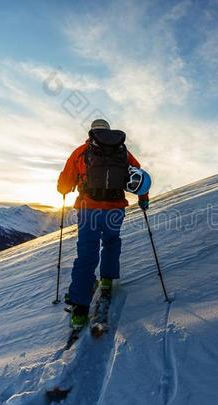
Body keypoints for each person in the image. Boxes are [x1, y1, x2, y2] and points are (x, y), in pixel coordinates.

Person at [57, 118, 150, 330]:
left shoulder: (81, 151)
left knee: (87, 252)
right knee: (111, 242)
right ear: (108, 131)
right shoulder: (123, 152)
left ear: (92, 132)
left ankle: (80, 307)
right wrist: (143, 198)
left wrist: (63, 189)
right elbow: (140, 176)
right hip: (116, 208)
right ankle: (107, 280)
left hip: (89, 209)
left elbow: (64, 184)